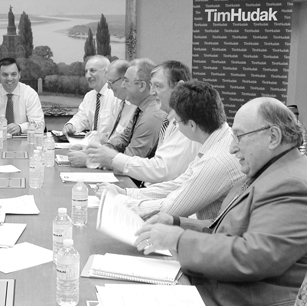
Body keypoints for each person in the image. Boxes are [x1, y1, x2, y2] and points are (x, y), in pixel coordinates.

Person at [134, 97, 307, 306]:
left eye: (239, 137)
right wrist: (177, 223)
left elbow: (252, 256)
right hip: (237, 296)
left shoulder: (294, 186)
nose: (232, 147)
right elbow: (228, 230)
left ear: (273, 136)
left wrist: (179, 241)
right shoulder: (274, 170)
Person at [100, 81, 244, 220]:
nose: (175, 125)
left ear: (192, 125)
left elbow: (172, 208)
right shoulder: (218, 140)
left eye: (177, 121)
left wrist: (118, 200)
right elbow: (180, 184)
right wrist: (127, 193)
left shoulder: (216, 160)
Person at [87, 60, 200, 187]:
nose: (151, 92)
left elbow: (162, 171)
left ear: (179, 87)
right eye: (152, 85)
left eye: (158, 86)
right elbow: (123, 139)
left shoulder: (181, 123)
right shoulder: (169, 119)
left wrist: (110, 158)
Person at [70, 59, 165, 168]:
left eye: (126, 81)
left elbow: (130, 160)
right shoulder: (142, 109)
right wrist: (92, 152)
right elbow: (121, 140)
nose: (123, 85)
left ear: (142, 86)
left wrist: (91, 160)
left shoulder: (152, 116)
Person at [0, 57, 44, 136]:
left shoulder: (30, 94)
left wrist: (21, 128)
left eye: (13, 74)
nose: (9, 78)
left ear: (19, 75)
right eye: (5, 75)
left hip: (25, 145)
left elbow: (39, 124)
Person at [63, 55, 123, 140]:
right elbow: (82, 118)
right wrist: (71, 125)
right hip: (92, 148)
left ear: (106, 72)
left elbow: (122, 132)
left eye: (92, 71)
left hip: (111, 148)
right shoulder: (89, 96)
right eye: (86, 71)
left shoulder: (116, 96)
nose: (87, 76)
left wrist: (102, 137)